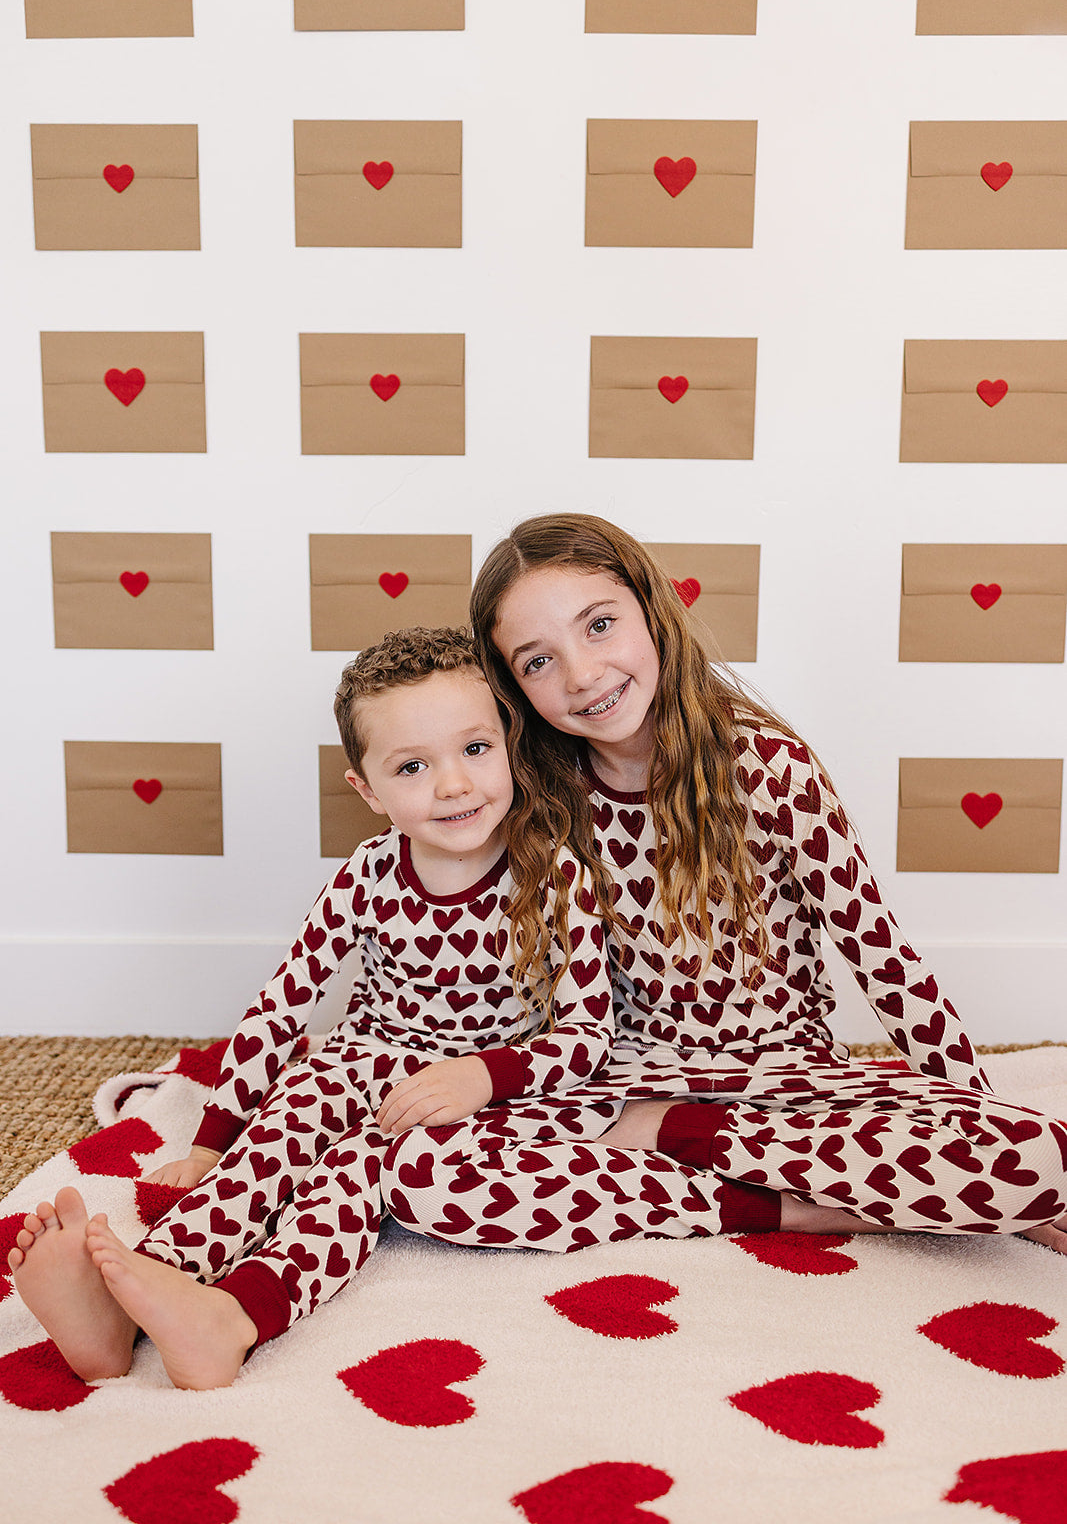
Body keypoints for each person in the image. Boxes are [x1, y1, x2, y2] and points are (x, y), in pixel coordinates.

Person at [377, 514, 1067, 1255]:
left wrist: (977, 1117)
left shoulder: (770, 770)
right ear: (511, 686)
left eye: (599, 625)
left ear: (652, 610)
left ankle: (689, 1142)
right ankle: (798, 1207)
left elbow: (884, 961)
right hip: (618, 1083)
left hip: (785, 1081)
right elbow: (442, 900)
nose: (580, 675)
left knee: (1041, 1157)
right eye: (537, 661)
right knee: (421, 1174)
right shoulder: (541, 792)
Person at [8, 628, 627, 1390]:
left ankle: (235, 1317)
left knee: (355, 1163)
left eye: (474, 749)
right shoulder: (367, 875)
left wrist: (481, 1075)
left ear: (510, 746)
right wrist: (212, 1142)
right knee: (286, 1124)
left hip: (490, 1086)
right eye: (411, 766)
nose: (453, 785)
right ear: (367, 790)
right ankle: (127, 1299)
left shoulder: (552, 872)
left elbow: (587, 1034)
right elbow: (284, 1003)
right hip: (370, 1052)